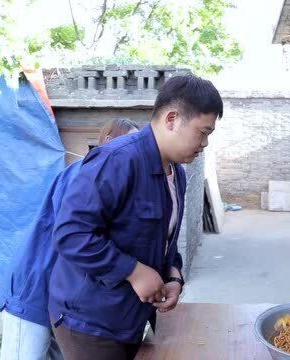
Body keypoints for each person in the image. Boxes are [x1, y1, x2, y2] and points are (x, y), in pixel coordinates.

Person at [48, 75, 223, 360]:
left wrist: (174, 275)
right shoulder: (116, 161)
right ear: (172, 119)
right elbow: (71, 234)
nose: (204, 143)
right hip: (91, 321)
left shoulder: (176, 172)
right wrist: (133, 271)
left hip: (132, 315)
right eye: (202, 132)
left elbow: (163, 239)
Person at [0, 118, 140, 360]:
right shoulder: (84, 174)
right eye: (128, 142)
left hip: (63, 297)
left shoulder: (109, 178)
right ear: (109, 141)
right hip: (34, 285)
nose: (134, 152)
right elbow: (78, 237)